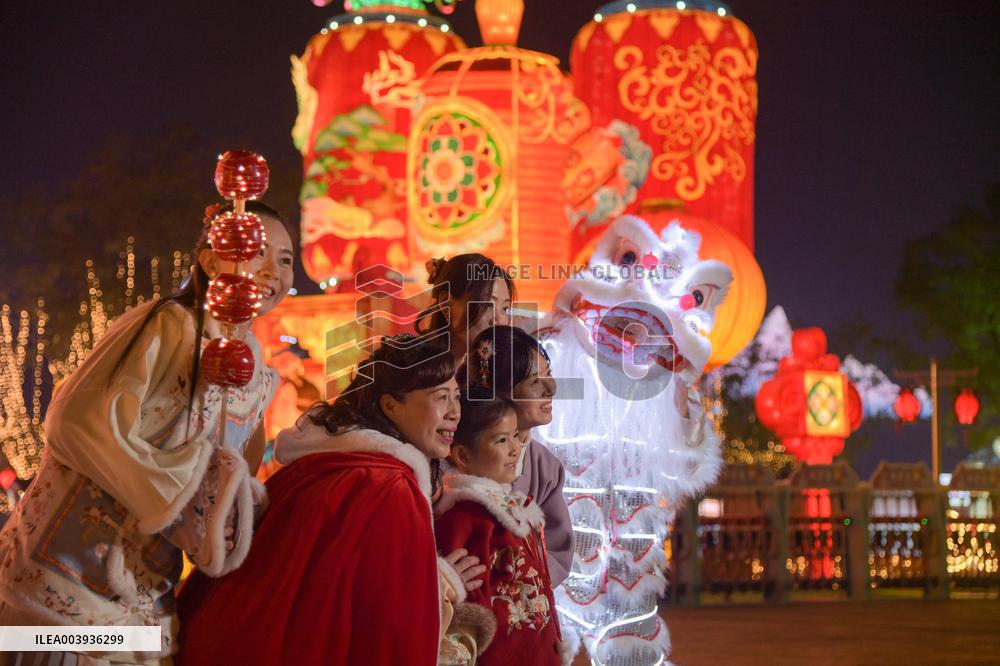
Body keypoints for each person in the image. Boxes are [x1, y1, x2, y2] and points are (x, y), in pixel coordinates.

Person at [0, 201, 295, 665]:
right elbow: (78, 421)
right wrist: (176, 493)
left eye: (285, 259)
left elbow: (231, 479)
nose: (273, 270)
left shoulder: (257, 372)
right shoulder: (168, 324)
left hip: (145, 605)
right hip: (64, 585)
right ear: (211, 258)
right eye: (256, 250)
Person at [175, 335, 494, 666]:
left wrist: (432, 574)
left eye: (456, 397)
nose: (455, 412)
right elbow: (390, 630)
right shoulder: (390, 488)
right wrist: (437, 586)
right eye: (441, 397)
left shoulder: (325, 463)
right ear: (390, 405)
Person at [435, 390, 567, 666]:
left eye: (517, 436)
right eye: (501, 439)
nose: (515, 448)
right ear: (463, 455)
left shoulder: (513, 510)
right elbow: (471, 608)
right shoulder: (466, 519)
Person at [462, 325, 574, 586]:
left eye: (549, 375)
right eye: (535, 381)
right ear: (500, 390)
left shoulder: (546, 467)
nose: (551, 388)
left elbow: (558, 550)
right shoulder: (462, 454)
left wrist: (525, 583)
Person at [416, 254, 515, 364]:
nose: (500, 320)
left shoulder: (492, 374)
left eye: (505, 308)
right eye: (488, 305)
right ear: (445, 303)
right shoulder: (413, 370)